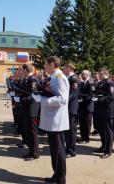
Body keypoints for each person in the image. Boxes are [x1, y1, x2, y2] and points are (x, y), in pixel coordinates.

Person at [32, 56, 69, 184]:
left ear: (53, 64)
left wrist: (42, 100)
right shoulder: (53, 77)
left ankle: (61, 179)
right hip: (52, 119)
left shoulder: (59, 78)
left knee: (58, 152)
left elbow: (63, 99)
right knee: (54, 151)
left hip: (56, 121)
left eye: (46, 64)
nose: (45, 67)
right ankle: (57, 175)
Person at [19, 64, 40, 161]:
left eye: (22, 70)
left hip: (32, 110)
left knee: (33, 132)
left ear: (27, 70)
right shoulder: (27, 79)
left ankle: (35, 153)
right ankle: (31, 151)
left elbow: (33, 95)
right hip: (26, 109)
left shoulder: (33, 80)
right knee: (28, 132)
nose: (21, 72)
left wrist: (21, 99)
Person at [93, 69, 114, 158]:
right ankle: (103, 146)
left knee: (108, 131)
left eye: (101, 74)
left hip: (107, 111)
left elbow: (111, 97)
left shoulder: (110, 83)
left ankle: (108, 150)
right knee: (101, 130)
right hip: (100, 110)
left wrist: (99, 99)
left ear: (105, 74)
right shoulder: (100, 83)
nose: (99, 75)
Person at [63, 63, 80, 158]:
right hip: (66, 107)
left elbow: (74, 94)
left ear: (69, 68)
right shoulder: (68, 77)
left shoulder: (74, 78)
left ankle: (71, 150)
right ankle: (67, 148)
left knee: (71, 131)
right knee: (67, 130)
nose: (63, 69)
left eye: (64, 68)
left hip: (71, 108)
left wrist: (64, 99)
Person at [78, 70, 95, 144]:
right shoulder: (82, 83)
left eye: (83, 74)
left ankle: (86, 138)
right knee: (82, 123)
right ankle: (82, 137)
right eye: (81, 74)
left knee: (87, 124)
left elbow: (91, 95)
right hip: (82, 106)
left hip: (88, 107)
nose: (81, 75)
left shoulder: (90, 83)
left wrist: (83, 99)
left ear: (87, 75)